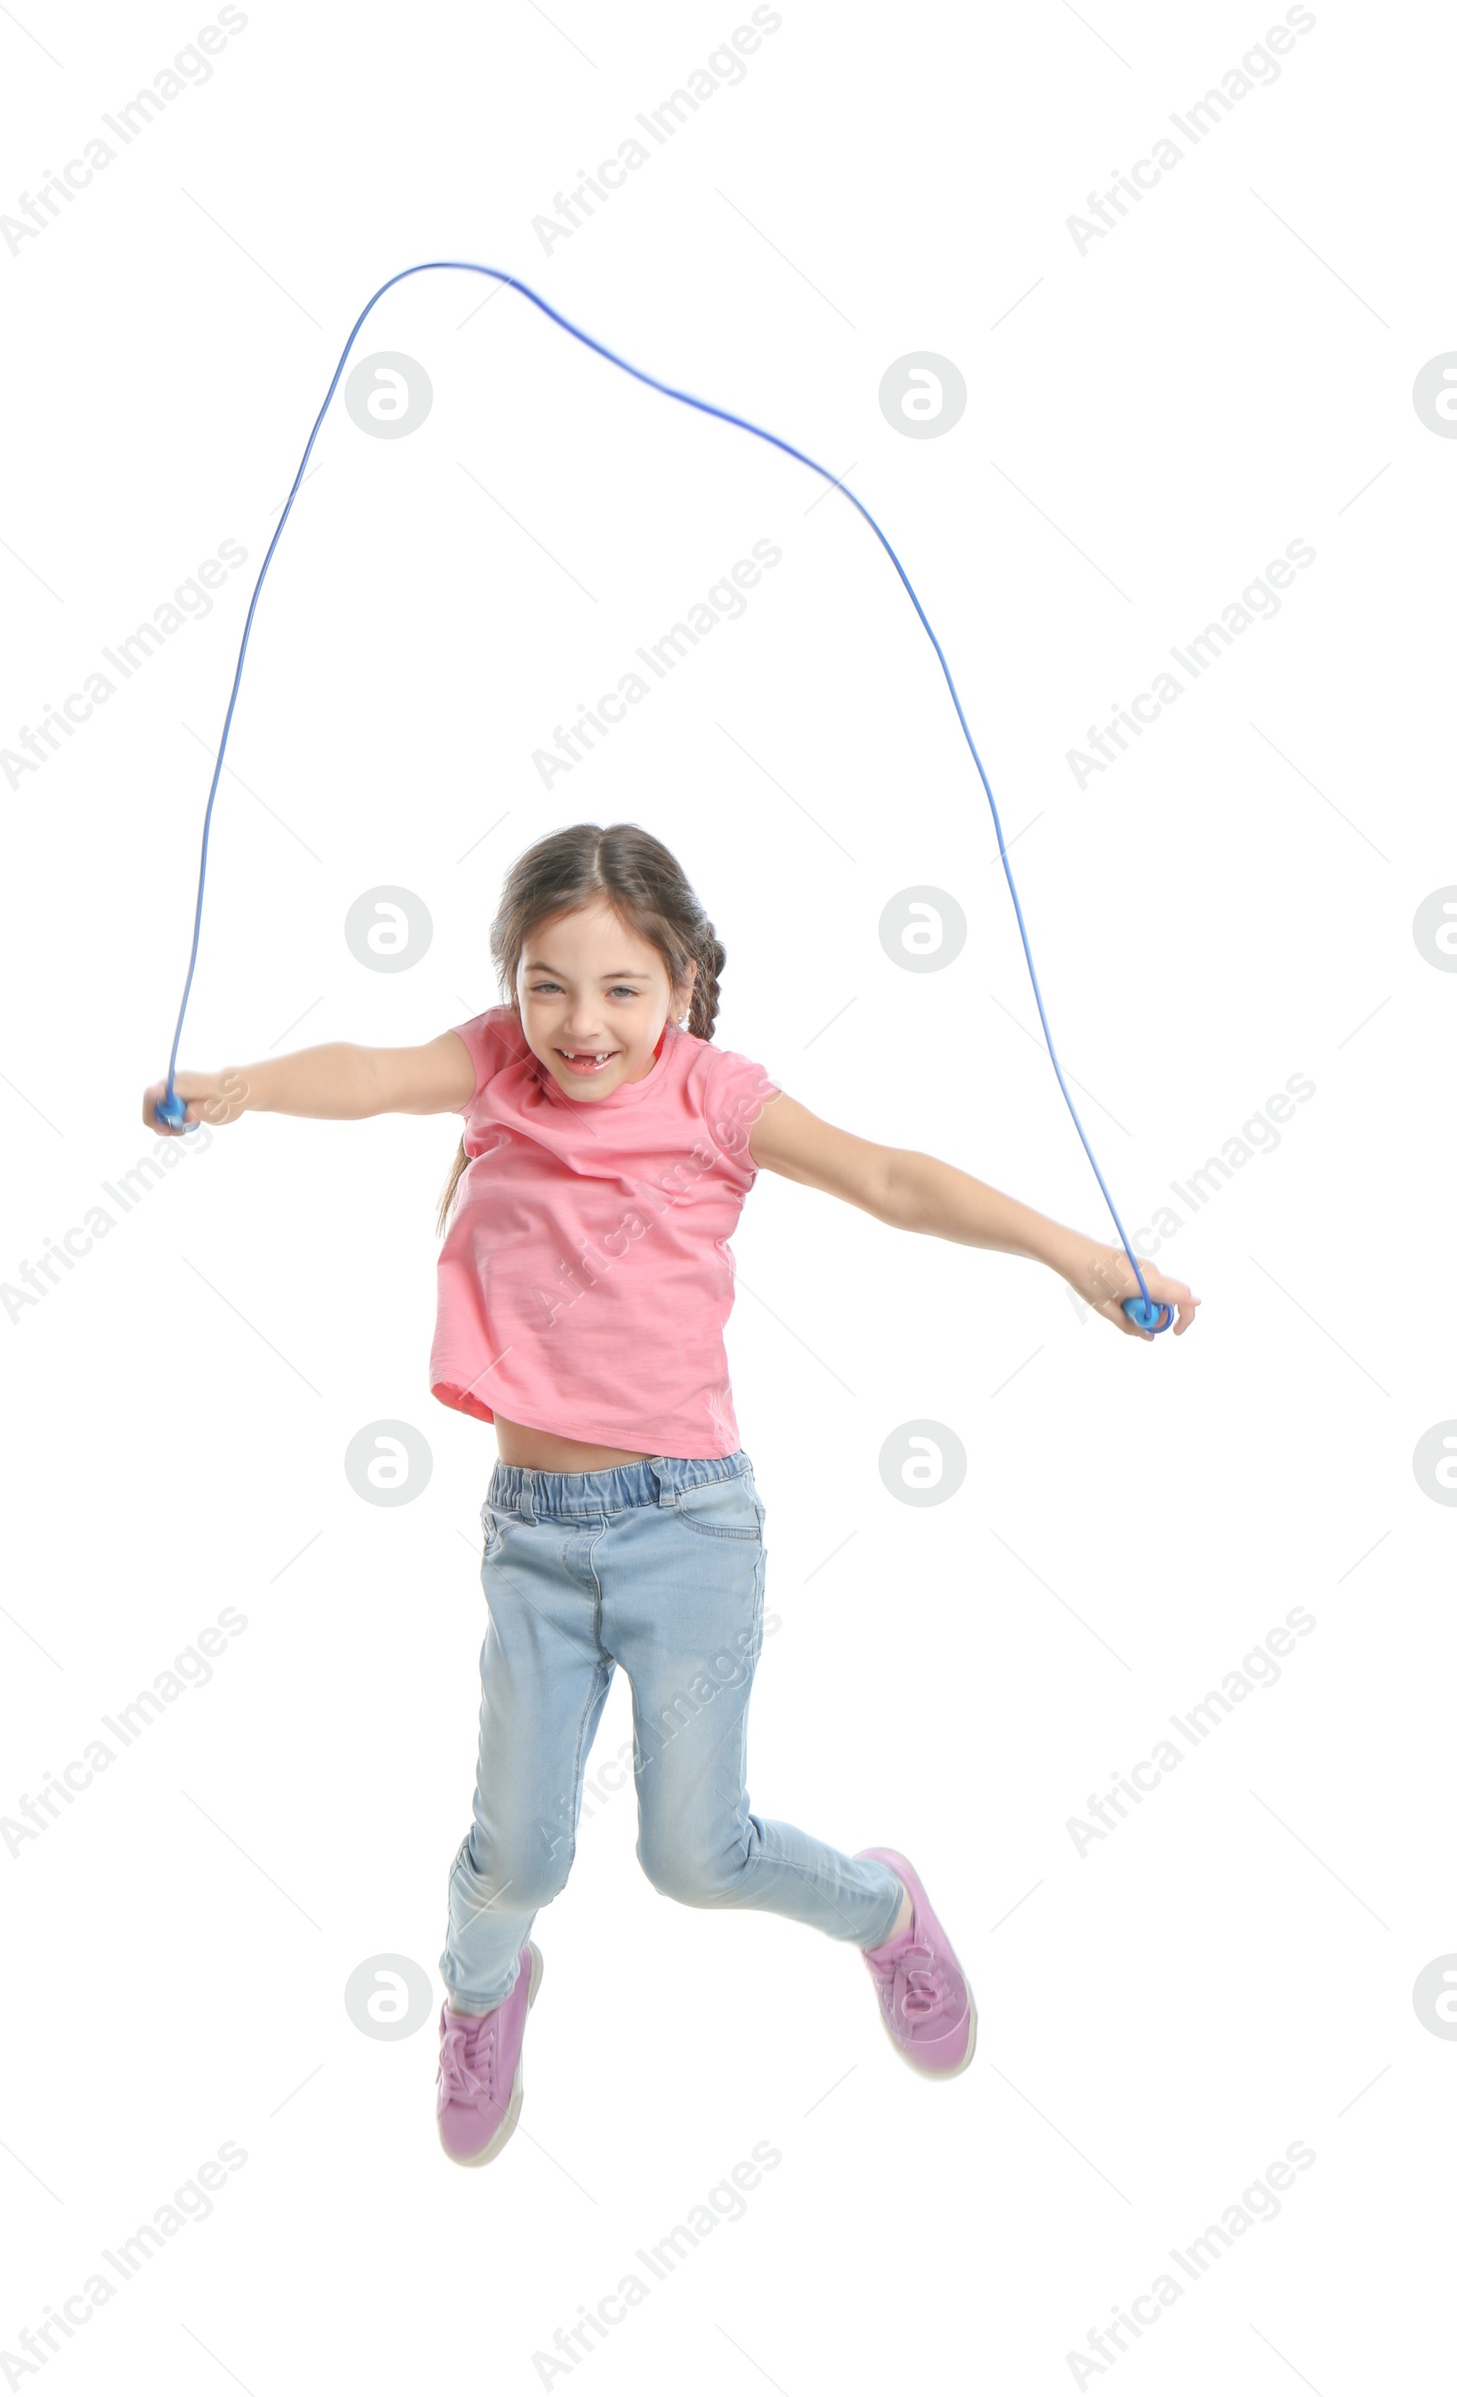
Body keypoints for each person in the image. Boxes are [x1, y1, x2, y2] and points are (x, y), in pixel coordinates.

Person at [143, 821, 1198, 2168]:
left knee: (693, 1857)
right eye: (547, 984)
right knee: (517, 1861)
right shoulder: (495, 1067)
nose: (580, 1024)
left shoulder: (715, 1097)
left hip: (691, 1529)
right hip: (534, 1539)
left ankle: (883, 1912)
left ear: (688, 981)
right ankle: (483, 1995)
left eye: (622, 989)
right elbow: (369, 1072)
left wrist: (1075, 1253)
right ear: (512, 985)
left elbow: (890, 1176)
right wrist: (243, 1084)